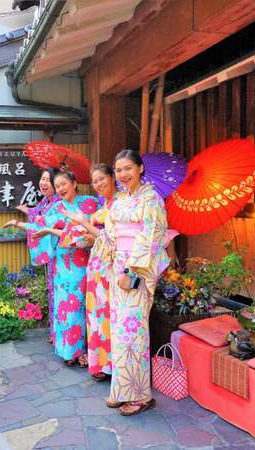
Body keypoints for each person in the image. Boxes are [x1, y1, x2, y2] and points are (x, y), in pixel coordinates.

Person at [92, 149, 170, 416]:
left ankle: (140, 395)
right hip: (117, 270)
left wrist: (131, 272)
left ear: (140, 168)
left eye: (127, 168)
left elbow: (151, 238)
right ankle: (121, 390)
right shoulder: (120, 200)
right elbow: (110, 234)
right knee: (120, 333)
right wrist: (106, 263)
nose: (122, 175)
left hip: (136, 272)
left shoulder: (152, 199)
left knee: (133, 334)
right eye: (118, 170)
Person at [6, 171, 99, 365]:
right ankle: (69, 352)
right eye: (58, 187)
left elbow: (97, 228)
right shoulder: (56, 207)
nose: (62, 189)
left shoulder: (91, 203)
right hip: (62, 263)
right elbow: (39, 226)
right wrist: (18, 223)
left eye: (65, 183)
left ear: (74, 183)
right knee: (64, 308)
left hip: (84, 263)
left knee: (83, 307)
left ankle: (84, 351)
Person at [61, 164, 116, 381]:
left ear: (112, 178)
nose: (99, 184)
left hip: (111, 267)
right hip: (96, 266)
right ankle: (100, 364)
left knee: (109, 317)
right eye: (95, 181)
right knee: (96, 317)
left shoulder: (120, 205)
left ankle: (111, 364)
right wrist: (84, 236)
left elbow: (112, 239)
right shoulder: (104, 205)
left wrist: (84, 223)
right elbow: (98, 237)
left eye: (102, 179)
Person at [14, 168, 59, 340]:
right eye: (42, 179)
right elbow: (37, 214)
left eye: (48, 180)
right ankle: (55, 332)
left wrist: (23, 219)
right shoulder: (46, 202)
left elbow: (42, 220)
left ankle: (58, 333)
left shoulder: (57, 203)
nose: (44, 183)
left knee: (58, 291)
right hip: (52, 255)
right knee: (52, 290)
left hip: (59, 252)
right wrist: (26, 211)